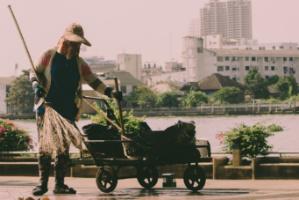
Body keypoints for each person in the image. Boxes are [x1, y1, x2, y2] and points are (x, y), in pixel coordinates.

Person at [30, 23, 122, 196]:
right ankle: (42, 184)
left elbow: (93, 81)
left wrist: (110, 92)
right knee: (45, 146)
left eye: (79, 44)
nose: (77, 47)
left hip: (67, 111)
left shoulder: (79, 63)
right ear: (65, 41)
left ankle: (60, 184)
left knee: (63, 149)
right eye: (74, 43)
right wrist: (36, 85)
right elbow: (34, 72)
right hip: (46, 108)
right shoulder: (48, 56)